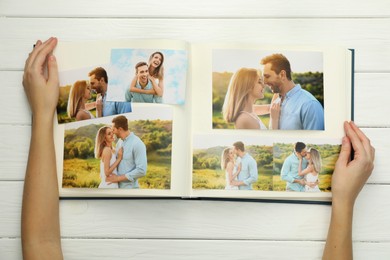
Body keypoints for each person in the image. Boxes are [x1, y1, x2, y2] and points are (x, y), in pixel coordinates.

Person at [22, 37, 375, 260]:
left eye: (265, 77)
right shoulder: (256, 119)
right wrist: (342, 202)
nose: (263, 84)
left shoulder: (284, 108)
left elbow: (40, 245)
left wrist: (42, 114)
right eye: (258, 80)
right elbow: (41, 245)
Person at [261, 53, 324, 130]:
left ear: (282, 75)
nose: (264, 82)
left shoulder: (310, 105)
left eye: (267, 76)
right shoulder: (275, 104)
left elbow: (315, 141)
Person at [105, 115, 147, 188]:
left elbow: (141, 170)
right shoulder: (119, 142)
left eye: (113, 129)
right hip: (117, 188)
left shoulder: (137, 144)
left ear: (120, 129)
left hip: (130, 191)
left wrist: (118, 178)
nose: (113, 132)